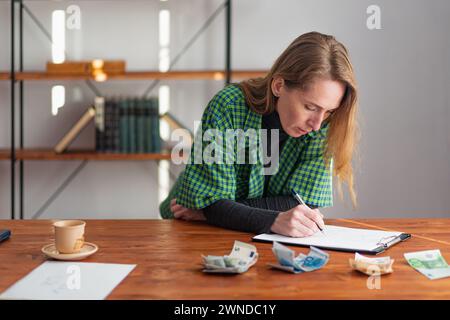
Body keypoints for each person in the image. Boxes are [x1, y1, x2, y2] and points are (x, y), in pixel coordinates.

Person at [159, 31, 358, 238]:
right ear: (279, 85)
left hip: (244, 231)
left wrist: (215, 211)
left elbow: (304, 201)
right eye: (309, 106)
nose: (317, 124)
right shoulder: (228, 106)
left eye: (329, 111)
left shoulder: (324, 123)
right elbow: (212, 203)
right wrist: (268, 217)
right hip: (187, 226)